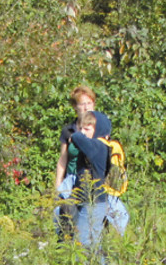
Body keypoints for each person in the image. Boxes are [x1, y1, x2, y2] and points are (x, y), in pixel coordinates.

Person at [54, 87, 112, 239]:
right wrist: (58, 186)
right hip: (72, 179)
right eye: (82, 104)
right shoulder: (69, 130)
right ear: (75, 106)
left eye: (89, 103)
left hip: (95, 184)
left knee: (113, 219)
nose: (86, 107)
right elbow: (63, 159)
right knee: (63, 221)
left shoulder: (99, 129)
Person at [67, 112, 128, 251]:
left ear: (99, 131)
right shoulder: (94, 147)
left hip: (93, 204)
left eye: (87, 129)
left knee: (83, 246)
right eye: (81, 128)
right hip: (88, 202)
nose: (82, 132)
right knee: (93, 246)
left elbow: (76, 137)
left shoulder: (98, 146)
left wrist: (76, 135)